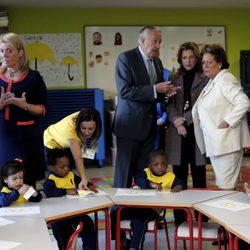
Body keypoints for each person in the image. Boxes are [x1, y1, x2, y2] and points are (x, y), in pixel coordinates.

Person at [112, 26, 179, 188]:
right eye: (154, 41)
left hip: (150, 128)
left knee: (144, 176)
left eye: (160, 42)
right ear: (141, 41)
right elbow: (125, 91)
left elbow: (153, 93)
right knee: (125, 174)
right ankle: (118, 212)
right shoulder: (125, 58)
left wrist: (165, 93)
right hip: (129, 127)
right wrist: (156, 90)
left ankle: (141, 212)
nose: (158, 45)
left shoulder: (157, 61)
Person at [192, 44, 250, 190]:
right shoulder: (213, 81)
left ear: (219, 63)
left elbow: (243, 102)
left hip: (226, 143)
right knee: (226, 186)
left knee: (226, 187)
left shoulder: (225, 78)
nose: (205, 65)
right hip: (217, 143)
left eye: (209, 62)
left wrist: (227, 122)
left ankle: (234, 213)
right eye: (203, 62)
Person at [111, 150, 184, 250]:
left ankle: (134, 247)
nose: (160, 167)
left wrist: (179, 186)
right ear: (150, 166)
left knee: (137, 221)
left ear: (167, 165)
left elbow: (181, 183)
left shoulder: (170, 177)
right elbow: (138, 180)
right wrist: (150, 184)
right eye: (156, 164)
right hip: (137, 206)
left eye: (163, 163)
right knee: (115, 213)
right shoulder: (145, 173)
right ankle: (122, 240)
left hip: (152, 209)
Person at [0, 32, 48, 187]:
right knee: (3, 183)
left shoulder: (33, 78)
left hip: (26, 140)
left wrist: (25, 105)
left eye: (9, 50)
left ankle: (30, 210)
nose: (4, 55)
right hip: (2, 138)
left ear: (20, 53)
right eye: (1, 51)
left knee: (26, 184)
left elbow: (43, 109)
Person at [43, 148, 96, 250]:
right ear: (51, 167)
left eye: (68, 166)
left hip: (76, 213)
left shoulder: (71, 175)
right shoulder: (50, 180)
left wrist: (88, 185)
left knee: (89, 224)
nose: (66, 169)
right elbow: (50, 192)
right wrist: (65, 191)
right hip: (59, 217)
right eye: (62, 167)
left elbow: (81, 181)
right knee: (65, 235)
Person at [44, 108, 102, 190]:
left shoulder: (86, 115)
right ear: (78, 125)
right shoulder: (72, 134)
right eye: (83, 128)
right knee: (58, 174)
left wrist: (85, 181)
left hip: (66, 142)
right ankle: (60, 193)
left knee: (68, 173)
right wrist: (83, 178)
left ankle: (75, 188)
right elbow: (77, 158)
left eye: (91, 129)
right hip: (52, 141)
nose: (86, 132)